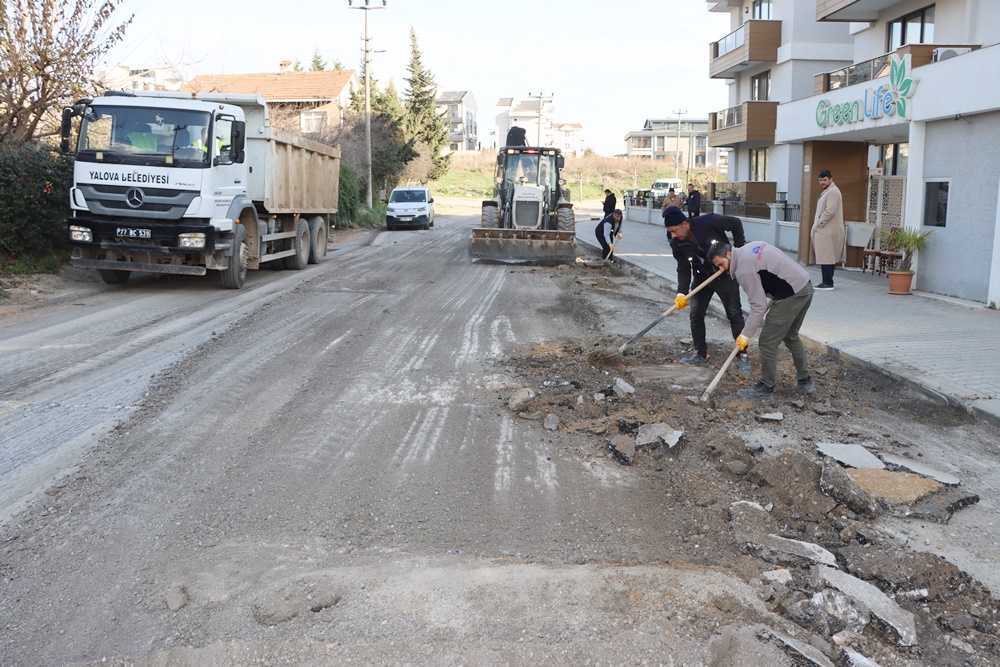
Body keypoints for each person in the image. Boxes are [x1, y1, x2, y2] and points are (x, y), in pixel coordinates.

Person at [707, 241, 816, 398]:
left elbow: (758, 306)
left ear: (729, 254)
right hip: (805, 286)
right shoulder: (751, 246)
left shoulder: (743, 270)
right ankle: (805, 382)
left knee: (767, 342)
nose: (721, 269)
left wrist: (745, 335)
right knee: (791, 337)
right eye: (718, 267)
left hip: (791, 293)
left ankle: (766, 387)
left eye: (722, 264)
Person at [663, 206, 750, 373]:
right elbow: (683, 269)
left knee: (734, 314)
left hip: (725, 276)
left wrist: (739, 251)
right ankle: (700, 354)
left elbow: (736, 223)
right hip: (702, 278)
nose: (673, 235)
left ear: (684, 223)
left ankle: (742, 355)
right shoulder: (676, 244)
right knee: (696, 315)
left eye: (674, 231)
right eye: (670, 232)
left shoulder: (709, 221)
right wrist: (681, 292)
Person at [811, 169, 846, 290]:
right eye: (820, 180)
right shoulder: (829, 191)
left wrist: (820, 223)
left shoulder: (833, 192)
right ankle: (827, 281)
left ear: (831, 179)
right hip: (826, 229)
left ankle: (827, 282)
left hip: (827, 230)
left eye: (825, 180)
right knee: (826, 256)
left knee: (826, 256)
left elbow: (830, 210)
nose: (822, 182)